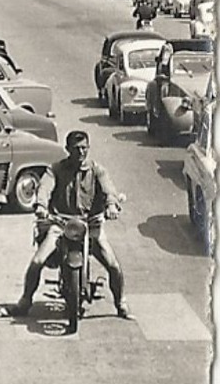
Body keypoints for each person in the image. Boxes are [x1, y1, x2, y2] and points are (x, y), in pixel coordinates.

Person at [7, 130, 131, 327]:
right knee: (38, 261)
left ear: (88, 148)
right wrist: (40, 206)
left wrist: (111, 206)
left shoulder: (97, 170)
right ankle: (25, 301)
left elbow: (109, 190)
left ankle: (120, 303)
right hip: (61, 223)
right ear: (67, 150)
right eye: (76, 149)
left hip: (90, 224)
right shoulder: (56, 169)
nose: (80, 152)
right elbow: (45, 188)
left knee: (113, 265)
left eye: (84, 148)